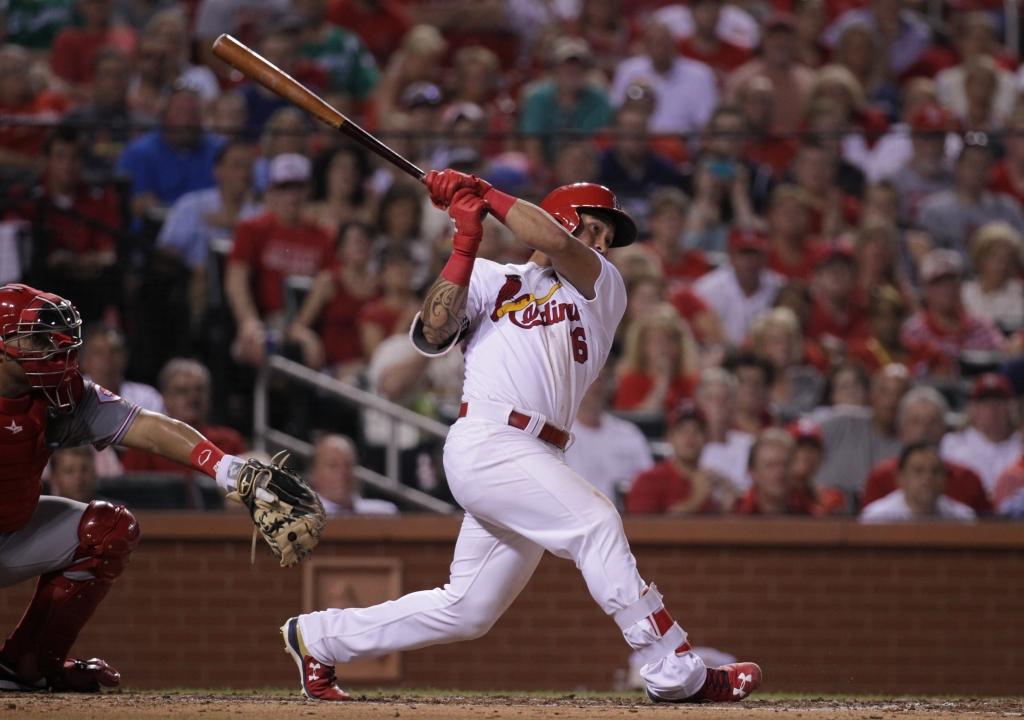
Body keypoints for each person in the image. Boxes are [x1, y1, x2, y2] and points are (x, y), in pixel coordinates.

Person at [282, 173, 761, 702]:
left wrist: (482, 191)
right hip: (488, 438)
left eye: (607, 235)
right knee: (596, 523)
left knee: (469, 609)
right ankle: (671, 664)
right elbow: (433, 334)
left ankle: (320, 638)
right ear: (562, 216)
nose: (602, 243)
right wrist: (466, 241)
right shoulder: (491, 277)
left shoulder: (602, 286)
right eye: (594, 227)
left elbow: (556, 243)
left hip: (539, 450)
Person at [0, 283, 254, 692]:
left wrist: (227, 468)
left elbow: (146, 427)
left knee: (109, 529)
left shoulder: (60, 394)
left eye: (58, 336)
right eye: (38, 337)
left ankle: (27, 665)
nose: (55, 348)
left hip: (12, 532)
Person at [225, 153, 335, 367]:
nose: (292, 196)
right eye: (284, 188)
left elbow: (326, 285)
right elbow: (236, 280)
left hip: (309, 324)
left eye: (298, 188)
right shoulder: (252, 228)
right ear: (271, 191)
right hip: (266, 321)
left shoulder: (322, 235)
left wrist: (300, 328)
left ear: (309, 190)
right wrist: (249, 322)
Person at [19, 126, 122, 324]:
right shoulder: (26, 199)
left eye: (74, 158)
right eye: (60, 157)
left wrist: (86, 261)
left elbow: (109, 252)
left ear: (83, 162)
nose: (67, 165)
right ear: (46, 160)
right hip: (40, 286)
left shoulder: (100, 199)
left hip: (89, 286)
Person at [157, 141, 261, 323]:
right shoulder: (192, 205)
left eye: (248, 167)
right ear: (217, 171)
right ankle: (196, 338)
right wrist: (191, 267)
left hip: (248, 282)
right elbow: (166, 251)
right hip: (194, 279)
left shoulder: (260, 213)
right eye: (236, 166)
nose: (243, 174)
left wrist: (234, 224)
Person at [861, 386, 991, 514]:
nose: (924, 429)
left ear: (944, 430)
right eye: (916, 422)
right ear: (901, 430)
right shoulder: (879, 478)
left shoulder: (968, 479)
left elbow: (989, 531)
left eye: (932, 422)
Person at [119, 359, 247, 474]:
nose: (193, 397)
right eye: (182, 391)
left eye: (199, 389)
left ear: (210, 396)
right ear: (165, 398)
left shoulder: (229, 443)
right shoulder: (145, 446)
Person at [115, 87, 224, 223]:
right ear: (164, 115)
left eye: (193, 113)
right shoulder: (140, 152)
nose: (186, 120)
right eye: (179, 112)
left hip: (209, 233)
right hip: (154, 234)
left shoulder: (220, 151)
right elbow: (139, 205)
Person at [288, 221, 379, 379]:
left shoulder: (380, 288)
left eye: (365, 241)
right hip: (333, 371)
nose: (361, 246)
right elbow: (296, 329)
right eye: (354, 241)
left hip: (371, 367)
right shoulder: (329, 282)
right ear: (340, 250)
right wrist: (309, 339)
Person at [812, 364, 908, 505]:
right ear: (871, 396)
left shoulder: (912, 441)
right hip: (828, 513)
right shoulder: (842, 422)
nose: (892, 400)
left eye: (900, 394)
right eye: (885, 392)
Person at [917, 141, 1024, 264]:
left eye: (985, 166)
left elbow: (1020, 254)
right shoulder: (933, 210)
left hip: (1001, 281)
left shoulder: (1007, 209)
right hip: (951, 280)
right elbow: (928, 260)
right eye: (973, 165)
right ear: (957, 167)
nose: (978, 172)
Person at [610, 20, 719, 135]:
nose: (659, 48)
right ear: (645, 45)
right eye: (653, 43)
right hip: (641, 143)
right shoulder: (628, 70)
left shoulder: (700, 74)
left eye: (664, 43)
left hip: (682, 144)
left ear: (675, 44)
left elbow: (706, 123)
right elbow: (617, 116)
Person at [565, 363, 654, 504]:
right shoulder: (560, 435)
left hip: (625, 518)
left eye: (601, 380)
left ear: (610, 385)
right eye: (590, 380)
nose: (596, 387)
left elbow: (648, 484)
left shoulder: (629, 434)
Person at [901, 250, 1006, 369]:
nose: (947, 288)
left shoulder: (981, 326)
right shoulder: (914, 332)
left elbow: (1002, 358)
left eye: (952, 280)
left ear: (961, 284)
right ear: (925, 290)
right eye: (938, 282)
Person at [520, 37, 612, 167]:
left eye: (578, 65)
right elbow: (532, 141)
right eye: (566, 64)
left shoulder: (598, 99)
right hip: (547, 168)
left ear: (586, 69)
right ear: (555, 68)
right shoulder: (538, 97)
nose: (572, 70)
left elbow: (599, 142)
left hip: (585, 168)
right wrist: (541, 174)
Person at [626, 402, 732, 514]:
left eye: (698, 430)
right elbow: (643, 528)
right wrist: (695, 500)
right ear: (669, 437)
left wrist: (726, 508)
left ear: (707, 438)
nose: (690, 436)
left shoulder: (711, 482)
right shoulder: (649, 480)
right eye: (682, 430)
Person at [62, 48, 151, 177]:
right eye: (107, 75)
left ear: (131, 79)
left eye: (121, 75)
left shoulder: (147, 125)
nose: (115, 83)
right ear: (95, 79)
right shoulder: (75, 121)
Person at [596, 106, 685, 229]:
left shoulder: (665, 168)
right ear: (615, 132)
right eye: (628, 128)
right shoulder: (599, 167)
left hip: (656, 238)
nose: (634, 135)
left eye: (639, 129)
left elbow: (675, 207)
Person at [725, 13, 815, 133]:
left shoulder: (809, 80)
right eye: (775, 37)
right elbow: (728, 121)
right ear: (763, 41)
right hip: (753, 148)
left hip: (798, 147)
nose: (781, 43)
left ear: (796, 42)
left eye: (787, 38)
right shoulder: (742, 79)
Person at [694, 228, 782, 347]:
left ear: (765, 257)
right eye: (743, 254)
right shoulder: (706, 289)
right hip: (722, 356)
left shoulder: (779, 287)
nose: (749, 261)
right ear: (731, 256)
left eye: (754, 254)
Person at [940, 373, 1022, 495]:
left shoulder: (1020, 446)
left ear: (1011, 407)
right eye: (984, 401)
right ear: (972, 408)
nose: (992, 408)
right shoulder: (952, 445)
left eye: (999, 400)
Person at [847, 285, 950, 378]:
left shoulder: (925, 353)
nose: (888, 323)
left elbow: (943, 381)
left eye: (894, 315)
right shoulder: (861, 356)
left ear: (902, 319)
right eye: (880, 316)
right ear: (870, 321)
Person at [613, 304, 700, 413]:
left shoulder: (692, 382)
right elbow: (638, 423)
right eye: (656, 341)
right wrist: (662, 382)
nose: (663, 348)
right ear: (642, 347)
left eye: (670, 340)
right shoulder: (629, 381)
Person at [860, 443, 976, 522]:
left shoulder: (963, 518)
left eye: (935, 471)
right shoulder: (875, 518)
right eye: (918, 471)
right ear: (901, 477)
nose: (928, 478)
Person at [0, 46, 73, 169]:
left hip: (59, 169)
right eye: (8, 72)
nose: (17, 77)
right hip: (11, 175)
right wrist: (31, 163)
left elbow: (82, 126)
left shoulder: (52, 99)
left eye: (21, 69)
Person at [749, 307, 823, 421]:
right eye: (775, 341)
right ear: (760, 346)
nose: (784, 347)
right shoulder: (752, 386)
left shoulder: (808, 381)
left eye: (788, 340)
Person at [49, 0, 137, 95]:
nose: (97, 6)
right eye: (91, 2)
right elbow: (60, 84)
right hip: (80, 105)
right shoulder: (68, 39)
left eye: (102, 2)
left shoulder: (130, 38)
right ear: (80, 5)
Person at [695, 367, 754, 493]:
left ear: (735, 405)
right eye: (711, 398)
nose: (719, 405)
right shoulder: (688, 446)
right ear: (699, 404)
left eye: (726, 398)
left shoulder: (750, 445)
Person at [79, 324, 163, 413]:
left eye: (114, 352)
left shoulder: (147, 398)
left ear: (125, 358)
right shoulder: (69, 399)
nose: (107, 360)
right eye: (98, 353)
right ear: (83, 361)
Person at [733, 428, 819, 514]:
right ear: (753, 473)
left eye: (785, 464)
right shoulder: (736, 515)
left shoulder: (809, 513)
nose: (779, 473)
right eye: (770, 466)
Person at [307, 435, 398, 515]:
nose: (342, 474)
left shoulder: (384, 514)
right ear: (314, 474)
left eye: (348, 465)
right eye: (333, 466)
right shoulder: (301, 518)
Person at [961, 222, 1024, 333]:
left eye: (1007, 258)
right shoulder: (964, 292)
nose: (1002, 264)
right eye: (995, 256)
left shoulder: (1020, 292)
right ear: (980, 257)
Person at [678, 0, 752, 82]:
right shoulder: (676, 49)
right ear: (692, 13)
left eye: (713, 10)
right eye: (704, 9)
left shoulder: (740, 54)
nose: (709, 15)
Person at [787, 419, 846, 514]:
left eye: (813, 447)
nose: (806, 453)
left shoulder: (831, 498)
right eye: (799, 446)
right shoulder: (773, 497)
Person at [722, 351, 774, 434]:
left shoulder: (771, 420)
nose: (750, 388)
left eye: (757, 382)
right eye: (742, 381)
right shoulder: (722, 424)